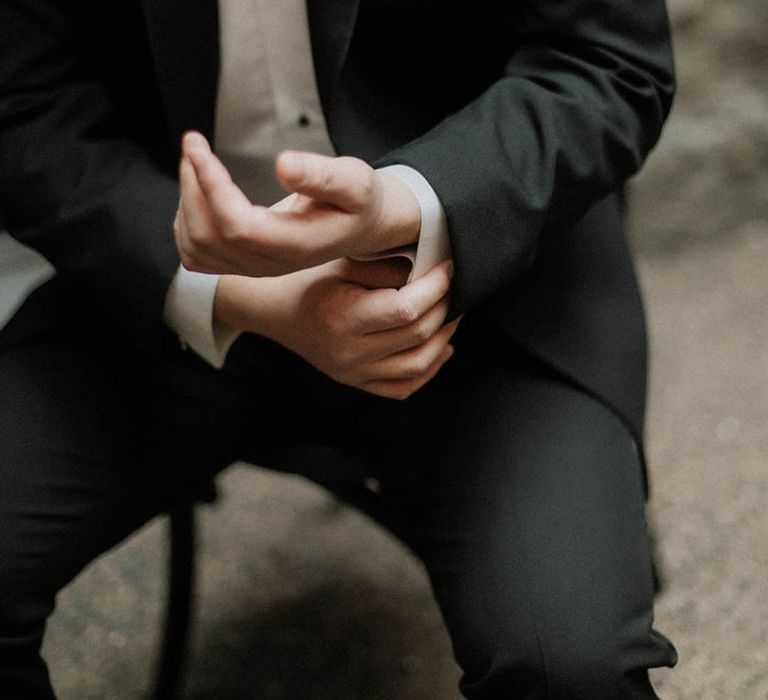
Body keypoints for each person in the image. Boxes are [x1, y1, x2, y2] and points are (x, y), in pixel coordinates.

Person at [0, 0, 679, 697]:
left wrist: (407, 206)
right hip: (155, 276)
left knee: (570, 667)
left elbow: (611, 64)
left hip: (484, 297)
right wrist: (228, 292)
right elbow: (23, 109)